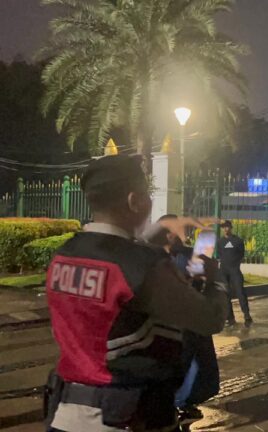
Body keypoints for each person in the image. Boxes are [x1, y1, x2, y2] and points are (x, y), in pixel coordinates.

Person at [43, 155, 228, 431]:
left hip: (65, 414)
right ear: (134, 201)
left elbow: (112, 252)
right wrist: (215, 280)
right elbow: (210, 319)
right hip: (126, 417)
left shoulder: (63, 255)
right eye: (148, 195)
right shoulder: (141, 266)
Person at [156, 215, 220, 423]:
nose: (170, 234)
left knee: (195, 367)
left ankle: (181, 404)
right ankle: (177, 405)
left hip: (187, 323)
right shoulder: (154, 257)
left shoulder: (190, 256)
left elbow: (200, 284)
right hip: (169, 325)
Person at [216, 220, 251, 327]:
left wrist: (235, 264)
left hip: (235, 271)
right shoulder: (220, 242)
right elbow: (220, 254)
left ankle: (247, 316)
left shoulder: (238, 241)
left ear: (231, 228)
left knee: (240, 293)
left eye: (227, 227)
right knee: (225, 295)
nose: (225, 229)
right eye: (223, 227)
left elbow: (241, 254)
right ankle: (230, 318)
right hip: (223, 271)